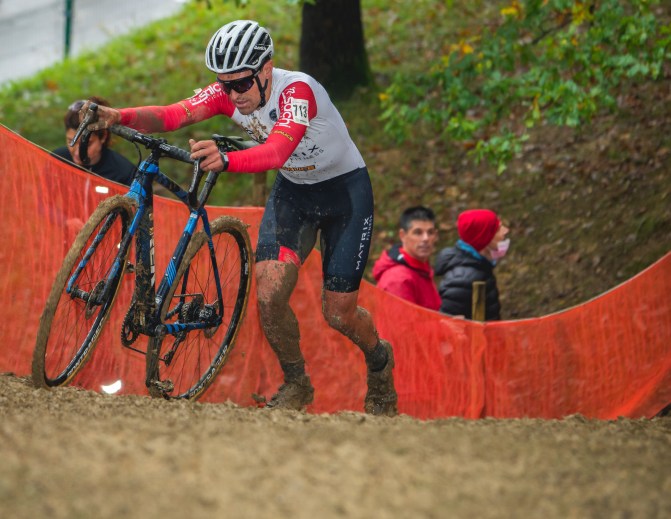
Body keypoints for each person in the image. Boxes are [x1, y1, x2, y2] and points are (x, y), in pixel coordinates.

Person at [81, 20, 397, 416]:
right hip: (295, 193)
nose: (233, 95)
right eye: (224, 85)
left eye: (242, 84)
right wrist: (118, 115)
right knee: (268, 295)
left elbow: (277, 152)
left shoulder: (297, 92)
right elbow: (172, 115)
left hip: (344, 194)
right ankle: (297, 382)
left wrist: (227, 160)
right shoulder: (230, 90)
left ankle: (379, 360)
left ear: (266, 70)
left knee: (338, 313)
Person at [434, 209, 509, 320]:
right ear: (484, 237)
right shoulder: (462, 278)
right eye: (498, 229)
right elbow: (449, 323)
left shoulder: (481, 267)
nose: (505, 231)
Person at [52, 96, 136, 186]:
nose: (77, 153)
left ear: (103, 137)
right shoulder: (57, 161)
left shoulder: (124, 173)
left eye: (86, 144)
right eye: (70, 142)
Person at [373, 205, 441, 310]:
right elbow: (401, 320)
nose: (426, 238)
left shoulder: (422, 269)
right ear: (403, 235)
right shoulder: (398, 280)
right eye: (418, 232)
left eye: (430, 232)